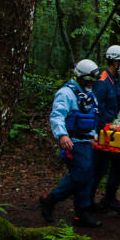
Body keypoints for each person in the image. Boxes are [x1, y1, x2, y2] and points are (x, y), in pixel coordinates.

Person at [39, 60, 103, 228]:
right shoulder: (66, 93)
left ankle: (80, 213)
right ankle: (50, 200)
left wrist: (93, 136)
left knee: (88, 175)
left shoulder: (90, 95)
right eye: (89, 80)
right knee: (80, 173)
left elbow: (93, 117)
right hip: (72, 141)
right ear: (81, 77)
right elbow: (57, 115)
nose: (91, 83)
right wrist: (62, 135)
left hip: (85, 141)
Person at [91, 45, 120, 213]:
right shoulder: (102, 82)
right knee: (99, 167)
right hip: (102, 132)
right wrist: (93, 132)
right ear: (115, 62)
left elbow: (118, 103)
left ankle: (109, 198)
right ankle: (87, 201)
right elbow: (95, 108)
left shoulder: (115, 81)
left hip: (113, 130)